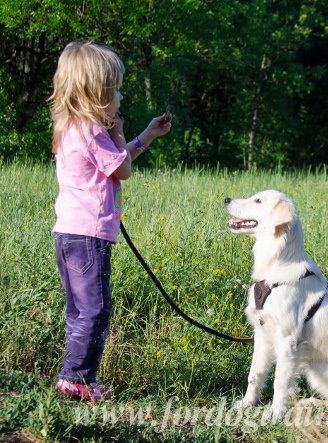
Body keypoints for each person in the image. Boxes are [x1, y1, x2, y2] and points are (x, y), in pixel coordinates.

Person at [49, 41, 172, 401]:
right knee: (96, 310)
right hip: (89, 235)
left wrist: (146, 135)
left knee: (79, 310)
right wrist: (119, 133)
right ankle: (77, 379)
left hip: (69, 233)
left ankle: (74, 377)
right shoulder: (92, 130)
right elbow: (124, 168)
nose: (120, 95)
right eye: (115, 88)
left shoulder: (73, 127)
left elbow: (115, 162)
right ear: (96, 93)